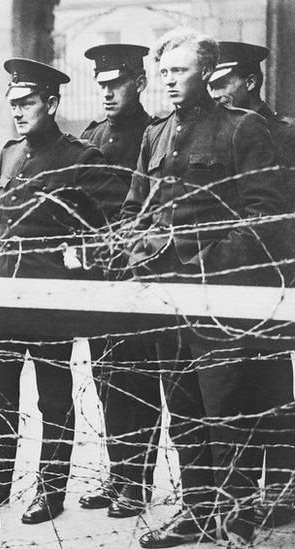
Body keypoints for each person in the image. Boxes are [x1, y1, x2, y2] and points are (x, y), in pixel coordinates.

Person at [121, 28, 290, 548]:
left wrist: (208, 266)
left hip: (220, 296)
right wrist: (138, 253)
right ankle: (195, 512)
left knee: (227, 410)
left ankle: (235, 516)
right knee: (184, 410)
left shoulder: (242, 130)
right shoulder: (155, 135)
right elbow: (134, 209)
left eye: (180, 71)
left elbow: (268, 216)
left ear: (207, 72)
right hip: (166, 297)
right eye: (164, 71)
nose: (170, 80)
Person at [0, 58, 125, 525]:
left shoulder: (80, 157)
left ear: (53, 103)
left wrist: (80, 263)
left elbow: (117, 219)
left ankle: (50, 488)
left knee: (53, 396)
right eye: (13, 104)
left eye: (27, 103)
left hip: (48, 298)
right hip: (3, 293)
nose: (18, 112)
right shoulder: (9, 152)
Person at [208, 41, 295, 528]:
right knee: (231, 390)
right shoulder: (217, 133)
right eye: (212, 84)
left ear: (251, 81)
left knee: (274, 387)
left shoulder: (285, 134)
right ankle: (237, 497)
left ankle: (281, 489)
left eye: (223, 83)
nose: (216, 92)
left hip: (276, 281)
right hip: (228, 277)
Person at [77, 43, 163, 519]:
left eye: (117, 84)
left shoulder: (153, 135)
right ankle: (118, 477)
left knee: (137, 383)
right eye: (102, 85)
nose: (108, 93)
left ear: (140, 83)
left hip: (136, 273)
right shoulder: (91, 135)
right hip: (97, 276)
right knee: (105, 380)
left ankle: (137, 484)